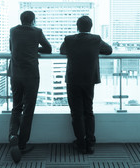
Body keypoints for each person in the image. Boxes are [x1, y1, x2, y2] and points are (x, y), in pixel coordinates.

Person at [59, 16, 112, 154]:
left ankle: (81, 144)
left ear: (77, 26)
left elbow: (62, 51)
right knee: (88, 111)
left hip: (73, 79)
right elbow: (109, 50)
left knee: (76, 113)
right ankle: (90, 143)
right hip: (89, 80)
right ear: (91, 27)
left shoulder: (69, 39)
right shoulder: (95, 39)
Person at [8, 10, 52, 163]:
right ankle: (22, 144)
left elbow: (11, 48)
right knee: (28, 109)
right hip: (30, 75)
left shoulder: (13, 30)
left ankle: (13, 135)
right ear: (33, 20)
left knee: (16, 107)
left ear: (21, 20)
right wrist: (34, 48)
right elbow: (48, 48)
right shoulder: (37, 31)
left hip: (15, 73)